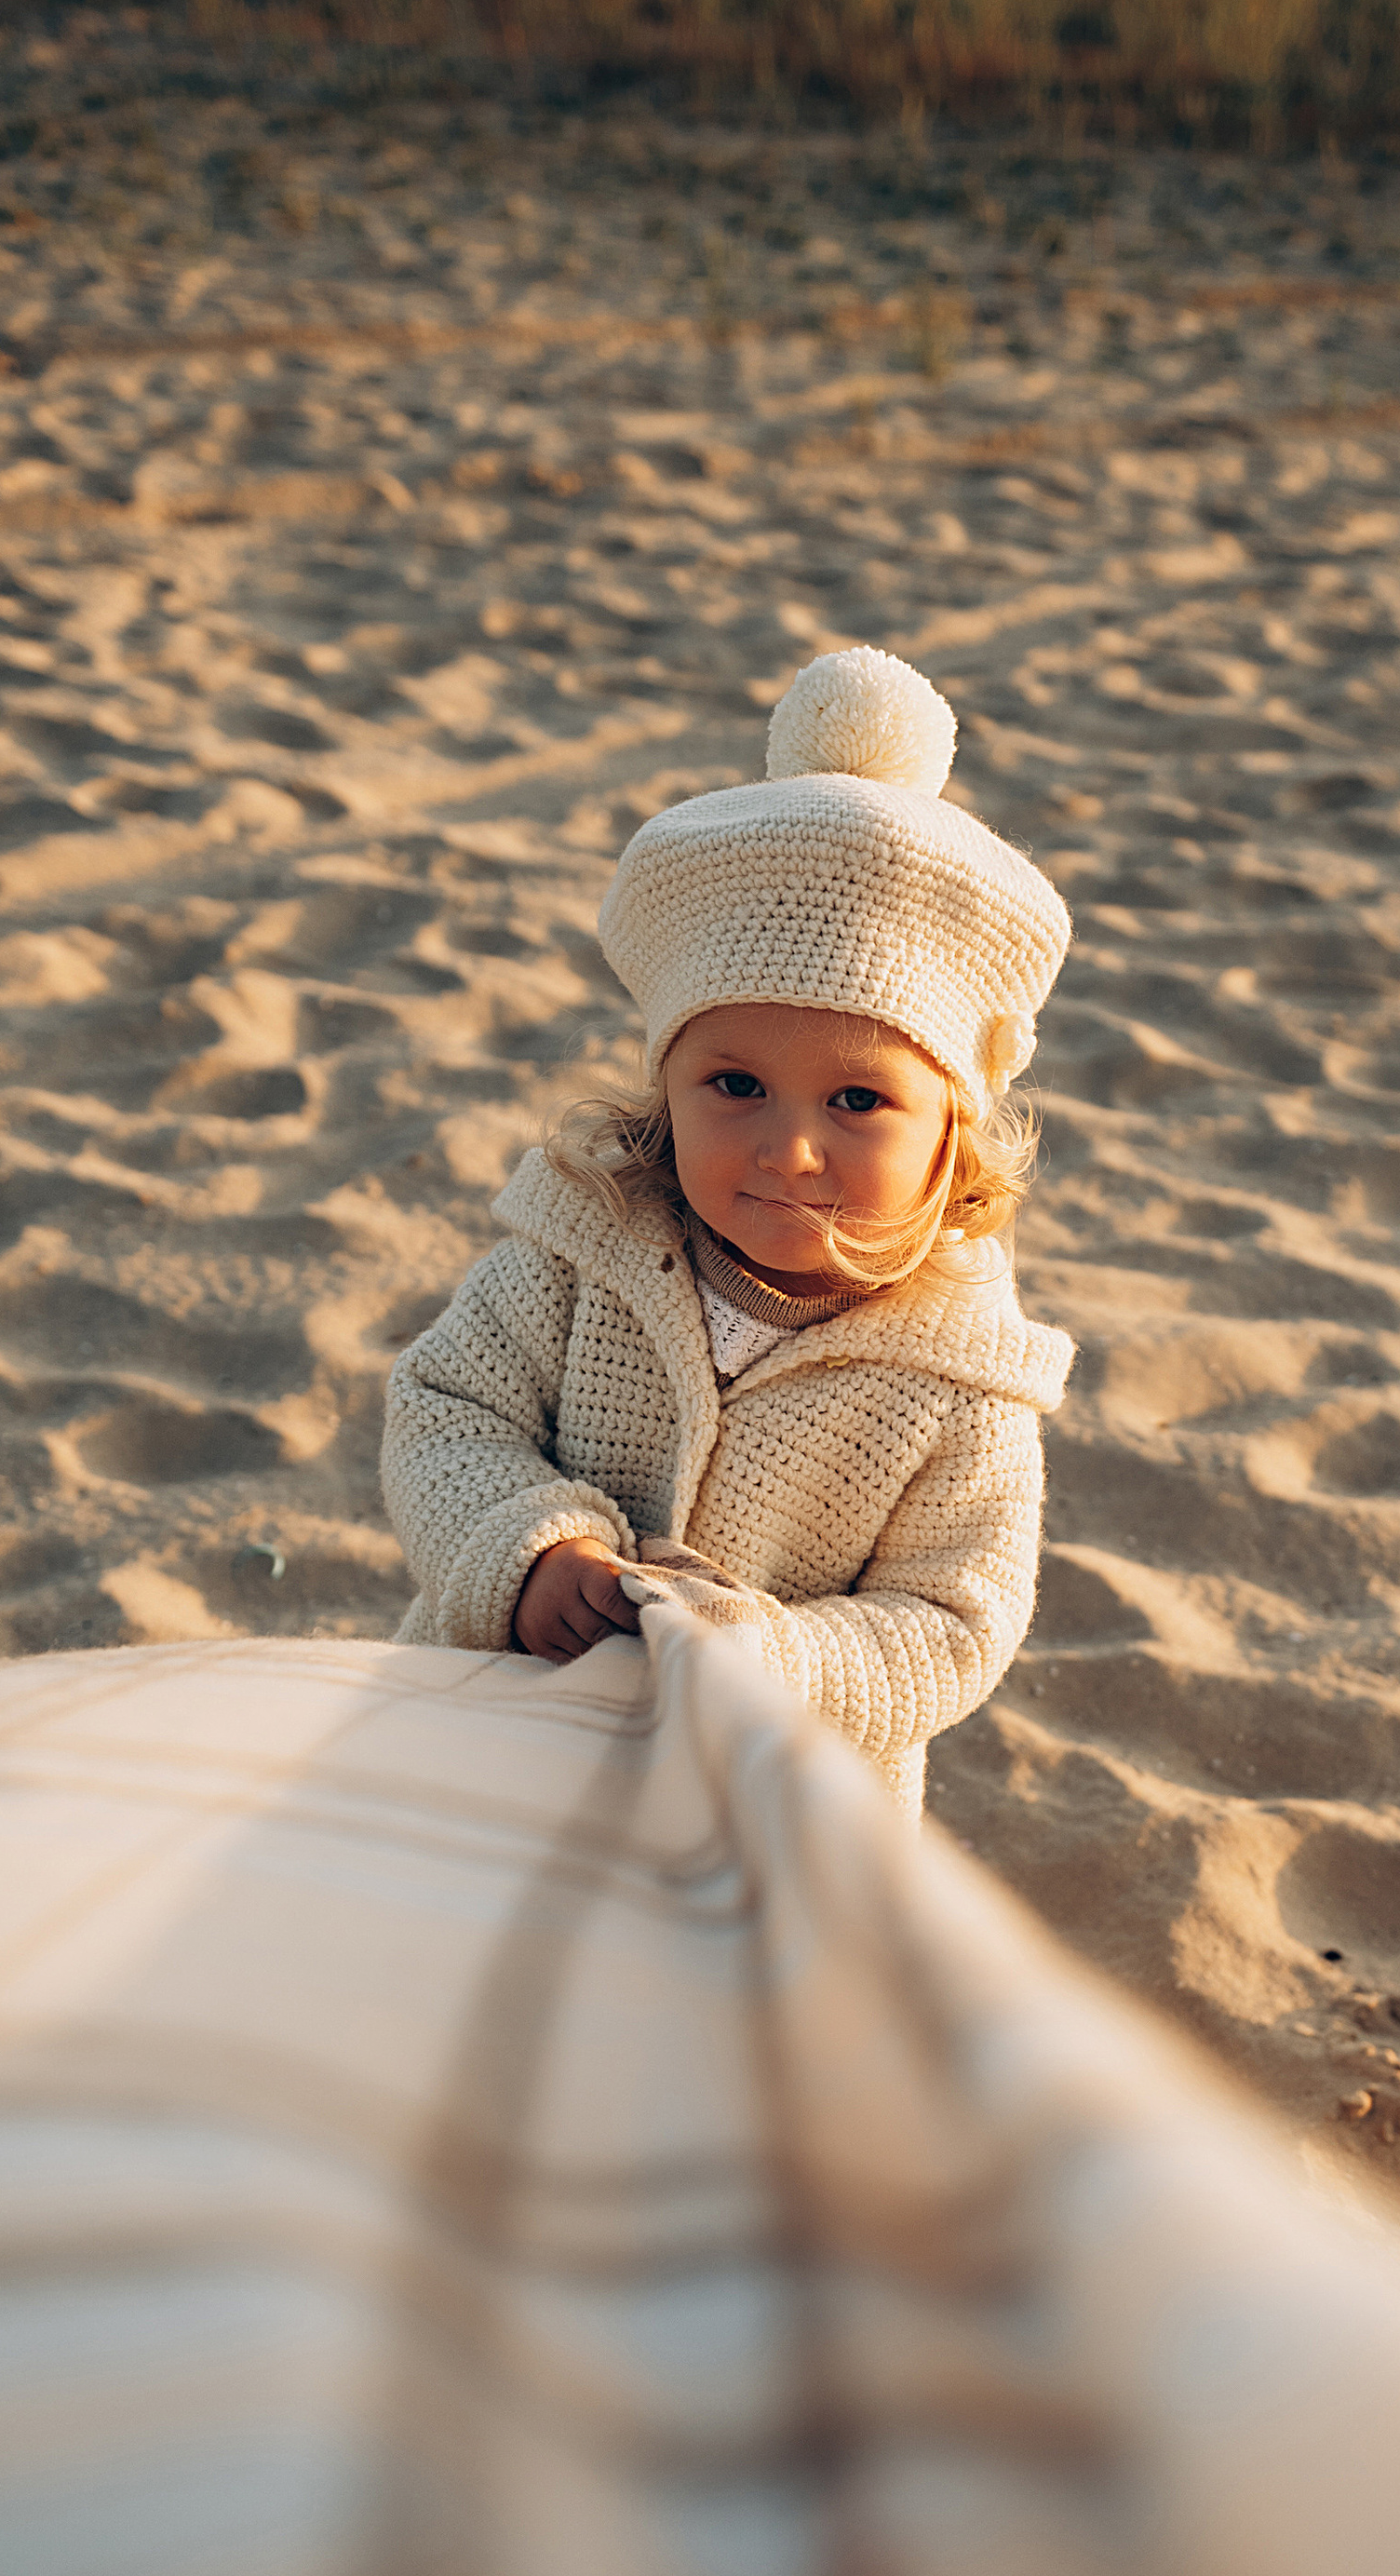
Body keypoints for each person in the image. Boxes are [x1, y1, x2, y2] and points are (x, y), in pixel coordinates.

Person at [380, 645, 1075, 1817]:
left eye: (858, 1102)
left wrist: (775, 1660)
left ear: (952, 1131)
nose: (790, 1149)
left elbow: (953, 1621)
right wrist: (532, 1551)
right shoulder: (575, 1258)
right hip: (497, 1755)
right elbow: (445, 1412)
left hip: (765, 1816)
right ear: (667, 1082)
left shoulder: (962, 1380)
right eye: (735, 1085)